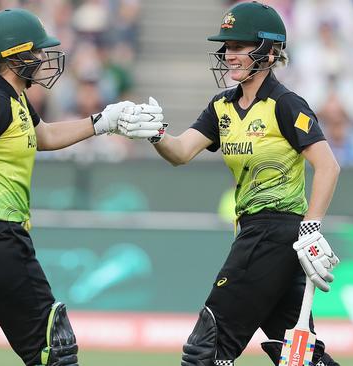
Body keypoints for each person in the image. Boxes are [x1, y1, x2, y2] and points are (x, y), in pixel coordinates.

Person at [0, 8, 162, 366]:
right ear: (12, 56)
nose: (41, 58)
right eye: (35, 52)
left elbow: (45, 135)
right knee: (54, 349)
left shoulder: (12, 96)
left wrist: (103, 121)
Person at [118, 2, 341, 365]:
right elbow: (181, 152)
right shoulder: (221, 106)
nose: (229, 54)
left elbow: (328, 166)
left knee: (205, 351)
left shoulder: (285, 104)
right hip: (257, 235)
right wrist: (155, 133)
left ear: (269, 53)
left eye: (238, 46)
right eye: (227, 47)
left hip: (275, 233)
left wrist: (311, 226)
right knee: (301, 358)